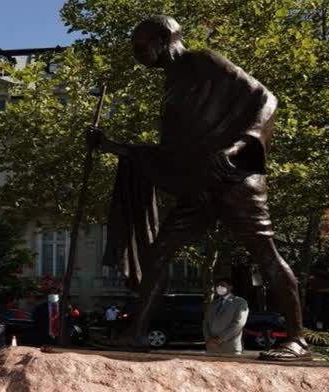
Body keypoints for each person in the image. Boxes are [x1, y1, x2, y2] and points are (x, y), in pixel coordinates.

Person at [90, 15, 308, 360]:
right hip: (198, 187)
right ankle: (138, 335)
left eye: (140, 46)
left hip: (233, 180)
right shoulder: (172, 84)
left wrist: (238, 147)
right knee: (158, 254)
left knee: (265, 253)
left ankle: (297, 339)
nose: (137, 55)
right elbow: (173, 152)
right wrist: (111, 146)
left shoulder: (203, 61)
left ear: (163, 39)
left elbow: (266, 100)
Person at [203, 280, 249, 354]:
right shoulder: (213, 304)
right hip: (212, 348)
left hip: (230, 348)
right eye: (217, 285)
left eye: (222, 285)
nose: (219, 287)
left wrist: (219, 339)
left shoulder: (240, 302)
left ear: (230, 287)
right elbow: (206, 322)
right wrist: (208, 339)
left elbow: (238, 324)